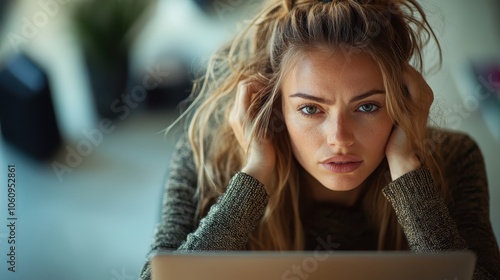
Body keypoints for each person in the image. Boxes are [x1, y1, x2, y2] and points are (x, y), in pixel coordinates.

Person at [139, 0, 500, 279]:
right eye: (311, 109)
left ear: (402, 100)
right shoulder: (208, 157)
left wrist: (407, 167)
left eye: (369, 106)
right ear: (275, 106)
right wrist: (256, 173)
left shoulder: (455, 159)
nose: (340, 139)